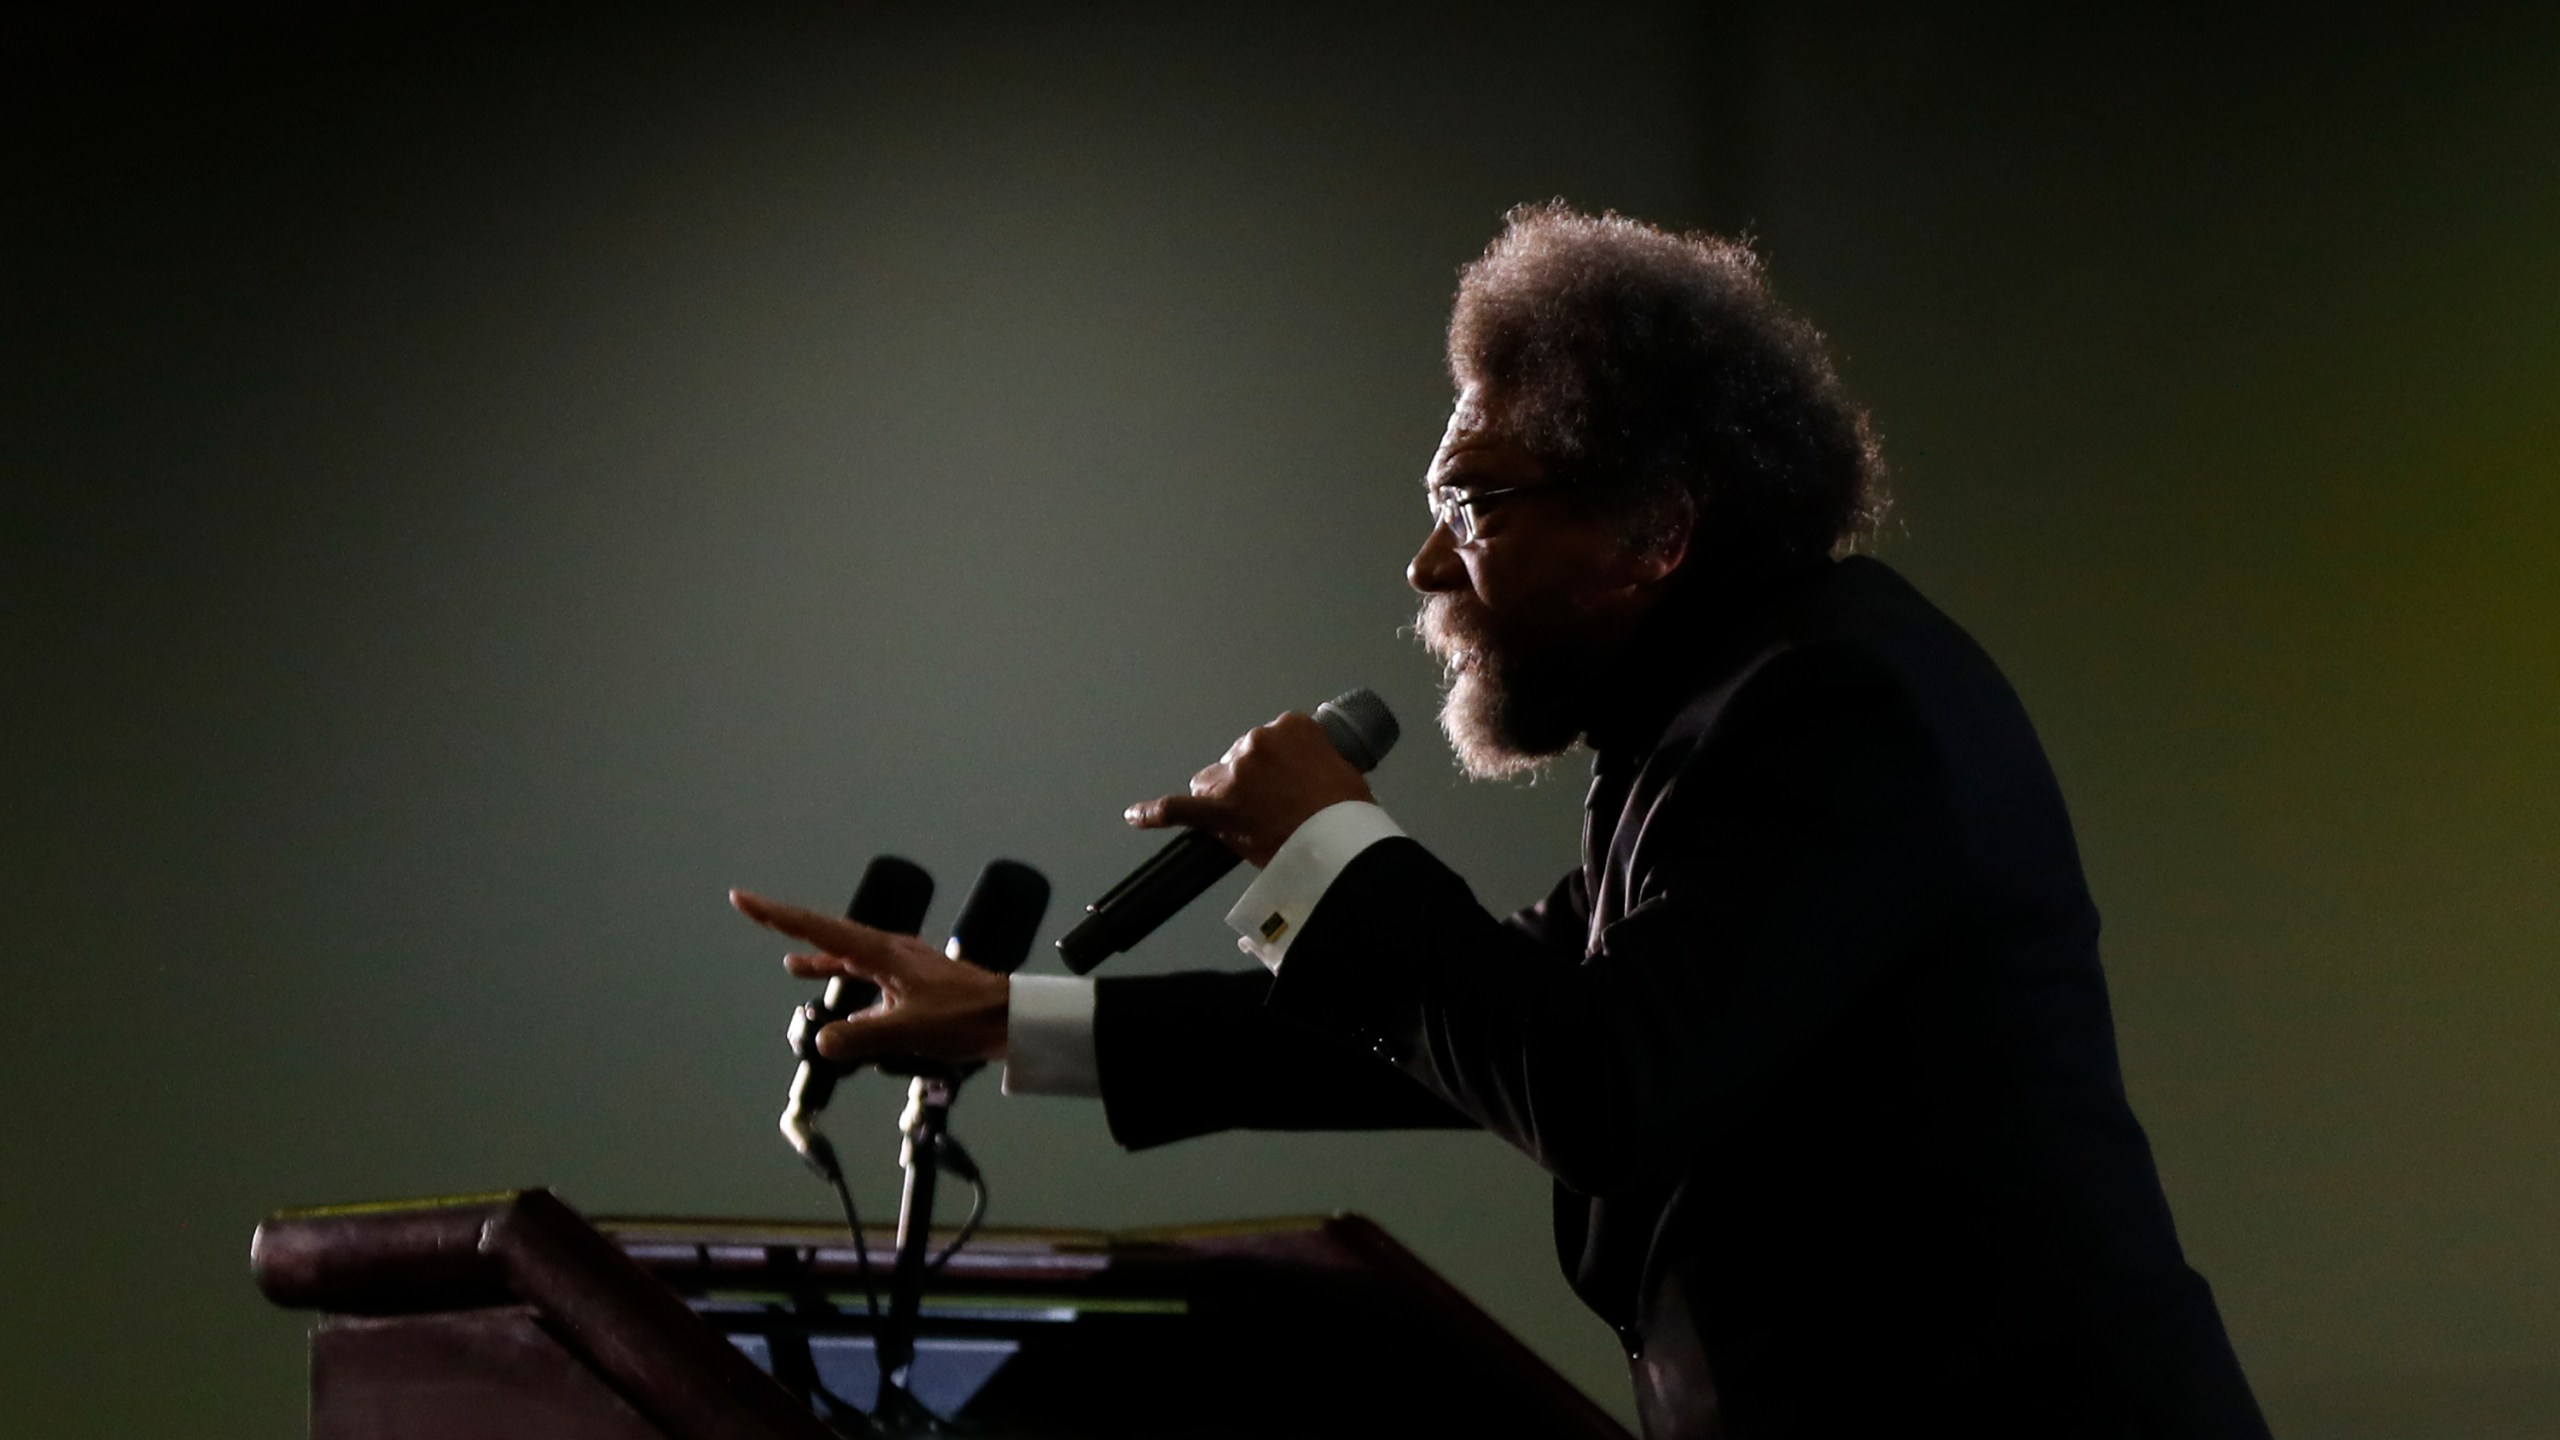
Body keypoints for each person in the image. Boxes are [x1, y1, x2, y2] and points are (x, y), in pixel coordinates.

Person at [732, 202, 2270, 1439]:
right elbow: (1458, 1029)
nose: (1426, 567)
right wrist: (1014, 1020)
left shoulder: (1837, 708)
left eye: (1475, 505)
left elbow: (1603, 1084)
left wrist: (1334, 843)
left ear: (1656, 531)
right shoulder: (1717, 725)